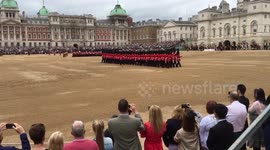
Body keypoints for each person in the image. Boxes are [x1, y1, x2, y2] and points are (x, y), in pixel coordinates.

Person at [237, 84, 250, 150]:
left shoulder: (237, 101)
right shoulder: (247, 100)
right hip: (245, 121)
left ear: (238, 91)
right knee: (243, 141)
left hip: (238, 123)